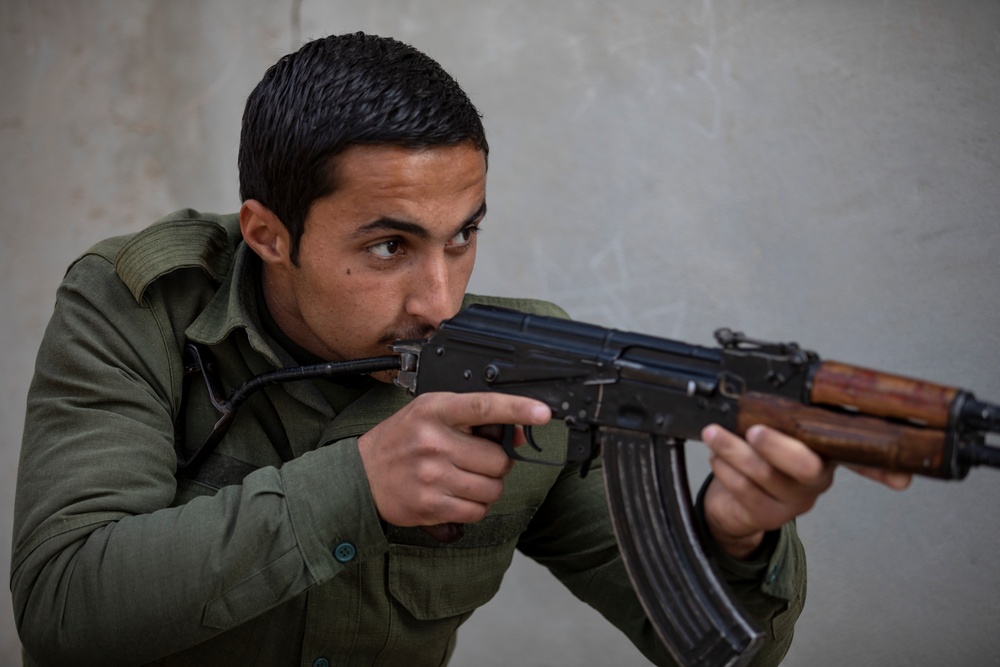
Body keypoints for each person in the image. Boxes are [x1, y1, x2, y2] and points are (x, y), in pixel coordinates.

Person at [11, 32, 909, 666]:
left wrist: (736, 533)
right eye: (389, 246)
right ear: (267, 233)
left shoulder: (527, 374)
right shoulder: (136, 305)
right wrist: (353, 484)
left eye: (463, 236)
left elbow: (723, 653)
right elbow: (62, 611)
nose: (441, 300)